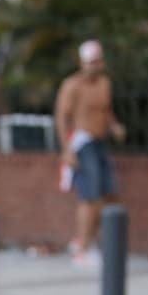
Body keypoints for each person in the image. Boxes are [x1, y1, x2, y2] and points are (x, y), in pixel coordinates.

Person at [54, 39, 125, 266]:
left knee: (109, 196)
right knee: (89, 197)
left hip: (100, 142)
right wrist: (67, 151)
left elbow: (107, 111)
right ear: (83, 63)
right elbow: (62, 118)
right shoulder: (72, 85)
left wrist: (114, 126)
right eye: (92, 62)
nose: (96, 66)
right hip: (82, 144)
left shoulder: (104, 83)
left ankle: (86, 240)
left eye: (99, 61)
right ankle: (82, 250)